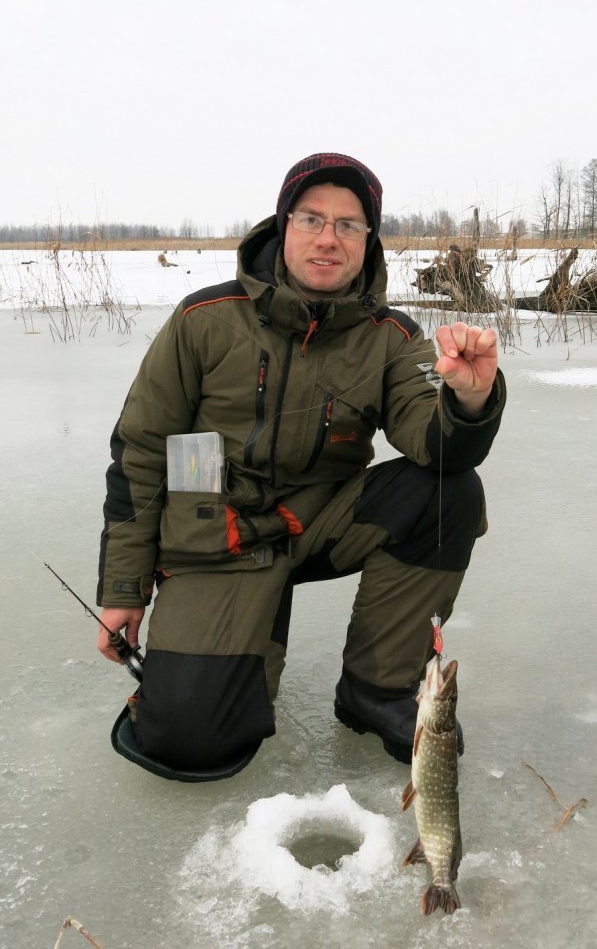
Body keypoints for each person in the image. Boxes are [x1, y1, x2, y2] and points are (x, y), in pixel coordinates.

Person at [96, 152, 506, 780]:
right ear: (283, 225)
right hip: (217, 538)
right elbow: (144, 451)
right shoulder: (202, 319)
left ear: (367, 243)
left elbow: (436, 443)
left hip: (315, 522)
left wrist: (469, 397)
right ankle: (238, 636)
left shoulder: (391, 335)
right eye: (312, 218)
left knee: (446, 490)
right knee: (189, 740)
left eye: (349, 225)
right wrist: (125, 589)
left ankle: (378, 690)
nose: (328, 239)